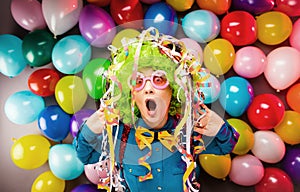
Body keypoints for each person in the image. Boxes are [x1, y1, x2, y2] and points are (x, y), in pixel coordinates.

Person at [73, 27, 239, 192]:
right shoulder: (120, 134)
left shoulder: (188, 130)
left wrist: (220, 128)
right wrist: (89, 129)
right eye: (138, 81)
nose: (148, 89)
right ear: (131, 95)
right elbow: (85, 156)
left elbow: (225, 146)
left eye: (158, 79)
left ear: (173, 90)